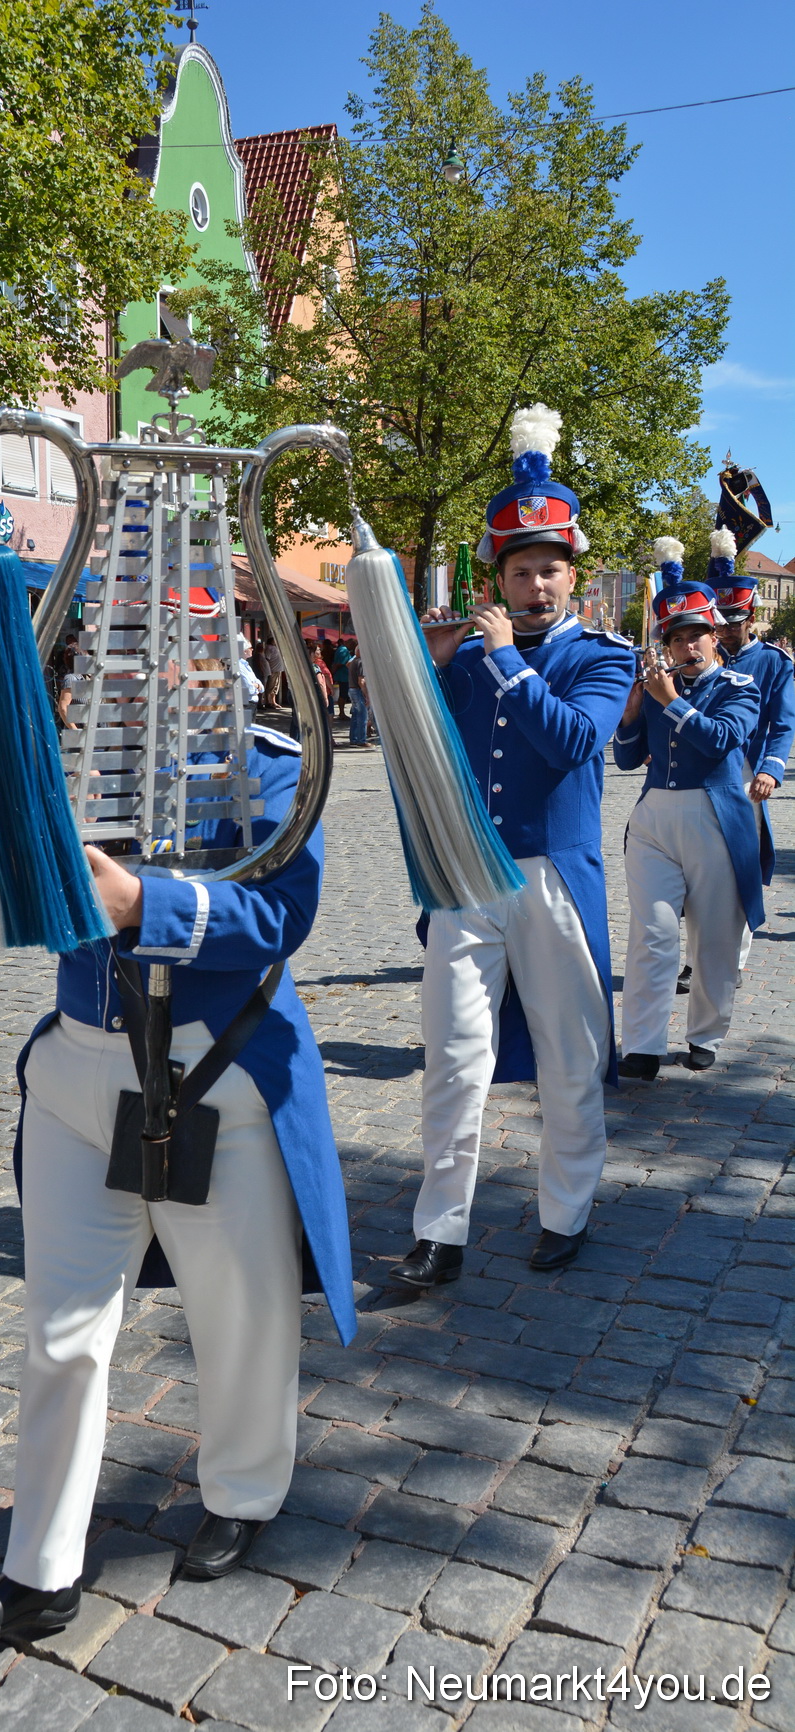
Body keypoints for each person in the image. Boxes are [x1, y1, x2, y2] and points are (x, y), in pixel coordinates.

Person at [0, 720, 355, 1650]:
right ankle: (39, 1569)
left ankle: (244, 1489)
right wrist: (15, 847)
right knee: (61, 1326)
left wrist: (139, 903)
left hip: (215, 1065)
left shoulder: (269, 764)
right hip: (76, 1067)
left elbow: (281, 913)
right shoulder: (70, 747)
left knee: (238, 1307)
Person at [390, 404, 636, 1288]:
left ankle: (565, 1208)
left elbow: (573, 741)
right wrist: (423, 662)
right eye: (523, 570)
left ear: (572, 577)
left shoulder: (601, 656)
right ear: (500, 574)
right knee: (453, 1056)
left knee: (568, 1055)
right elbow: (407, 744)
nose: (538, 585)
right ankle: (439, 1230)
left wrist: (499, 662)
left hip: (553, 878)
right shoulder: (466, 655)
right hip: (465, 875)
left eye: (550, 571)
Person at [614, 547, 762, 1080]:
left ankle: (705, 1033)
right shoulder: (656, 687)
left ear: (715, 634)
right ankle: (643, 1045)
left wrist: (671, 700)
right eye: (675, 636)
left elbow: (722, 739)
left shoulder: (740, 688)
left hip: (717, 819)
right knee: (651, 934)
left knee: (715, 939)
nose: (686, 644)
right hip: (655, 817)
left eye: (695, 634)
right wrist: (632, 710)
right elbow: (629, 758)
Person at [708, 535, 795, 959]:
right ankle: (695, 958)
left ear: (752, 617)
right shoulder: (703, 656)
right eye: (718, 621)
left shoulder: (775, 663)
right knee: (699, 869)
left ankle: (733, 956)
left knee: (738, 867)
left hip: (747, 774)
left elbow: (783, 722)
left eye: (733, 621)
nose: (723, 629)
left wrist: (771, 769)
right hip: (702, 770)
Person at [347, 642, 370, 746]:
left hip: (352, 690)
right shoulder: (360, 662)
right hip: (357, 690)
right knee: (362, 716)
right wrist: (366, 695)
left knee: (356, 716)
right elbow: (361, 681)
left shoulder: (353, 661)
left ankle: (354, 738)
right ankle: (361, 740)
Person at [262, 636, 283, 711]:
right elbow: (267, 659)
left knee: (275, 687)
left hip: (277, 669)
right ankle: (268, 702)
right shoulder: (269, 648)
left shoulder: (274, 648)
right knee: (270, 686)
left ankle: (273, 702)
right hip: (273, 670)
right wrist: (268, 669)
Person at [332, 637, 351, 718]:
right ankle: (342, 713)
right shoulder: (344, 650)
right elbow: (340, 663)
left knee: (342, 694)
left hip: (342, 675)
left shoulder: (339, 649)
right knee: (343, 694)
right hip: (344, 676)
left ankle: (341, 712)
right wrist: (333, 672)